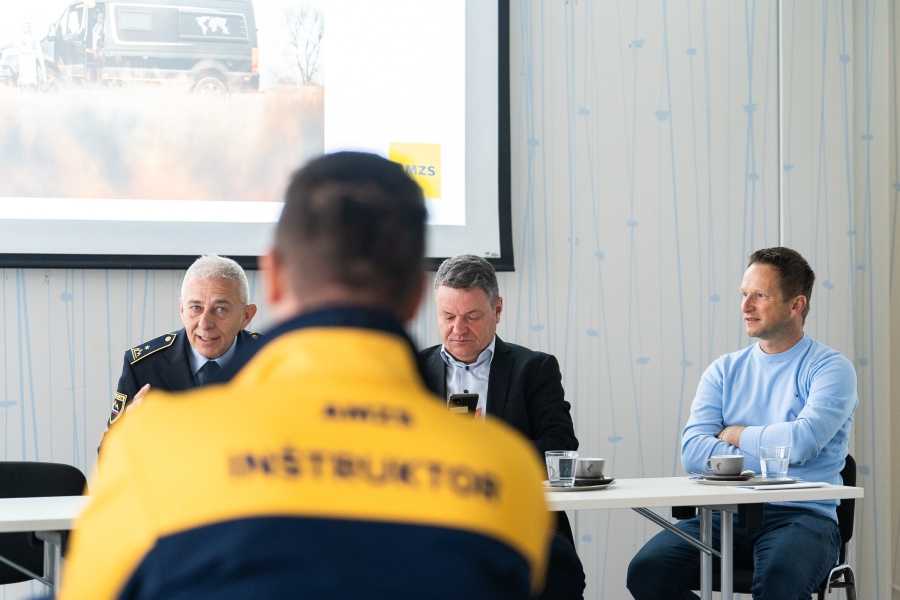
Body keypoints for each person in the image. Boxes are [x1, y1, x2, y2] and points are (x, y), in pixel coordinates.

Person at [60, 152, 552, 599]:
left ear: (273, 277)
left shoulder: (150, 450)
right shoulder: (509, 472)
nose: (205, 322)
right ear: (418, 298)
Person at [627, 247, 858, 600]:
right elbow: (693, 452)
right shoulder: (723, 370)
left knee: (779, 582)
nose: (745, 306)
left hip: (802, 517)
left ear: (796, 305)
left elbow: (802, 442)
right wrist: (779, 457)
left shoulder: (831, 368)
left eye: (760, 295)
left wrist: (736, 434)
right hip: (723, 516)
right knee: (647, 572)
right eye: (744, 294)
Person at [419, 254, 583, 599]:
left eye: (472, 316)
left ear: (497, 310)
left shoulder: (534, 369)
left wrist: (490, 447)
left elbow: (561, 445)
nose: (458, 329)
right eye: (448, 317)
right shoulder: (411, 371)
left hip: (514, 515)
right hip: (432, 518)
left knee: (559, 570)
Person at [104, 254, 260, 432]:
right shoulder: (143, 367)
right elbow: (108, 449)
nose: (205, 324)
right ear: (182, 310)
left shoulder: (274, 360)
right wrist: (128, 431)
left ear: (246, 316)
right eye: (196, 308)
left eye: (221, 309)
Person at [15, 20, 45, 92]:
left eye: (30, 23)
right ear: (23, 24)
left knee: (40, 74)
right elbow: (19, 47)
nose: (29, 25)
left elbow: (37, 44)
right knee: (25, 78)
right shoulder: (20, 35)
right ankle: (26, 94)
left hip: (35, 59)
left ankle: (39, 92)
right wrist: (29, 51)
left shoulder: (33, 34)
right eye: (27, 23)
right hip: (26, 60)